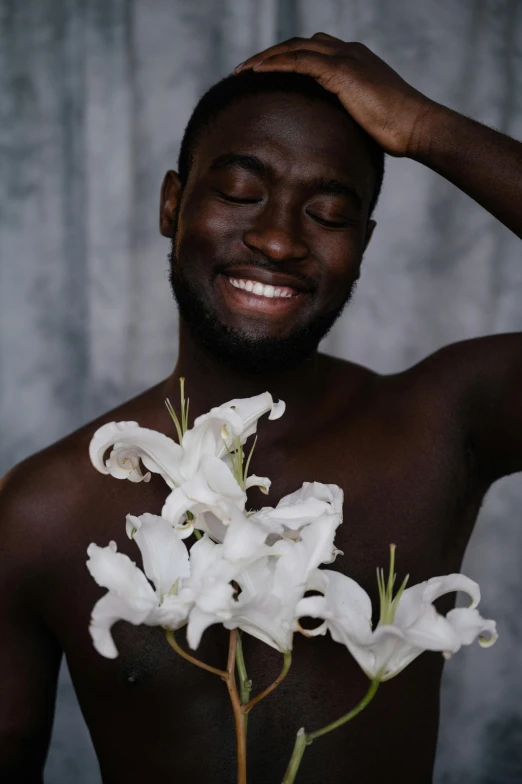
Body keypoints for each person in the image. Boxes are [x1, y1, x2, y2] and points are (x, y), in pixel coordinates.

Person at [1, 33, 521, 784]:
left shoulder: (446, 422)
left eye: (330, 213)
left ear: (365, 245)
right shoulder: (42, 510)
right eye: (241, 193)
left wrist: (423, 129)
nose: (278, 239)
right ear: (172, 205)